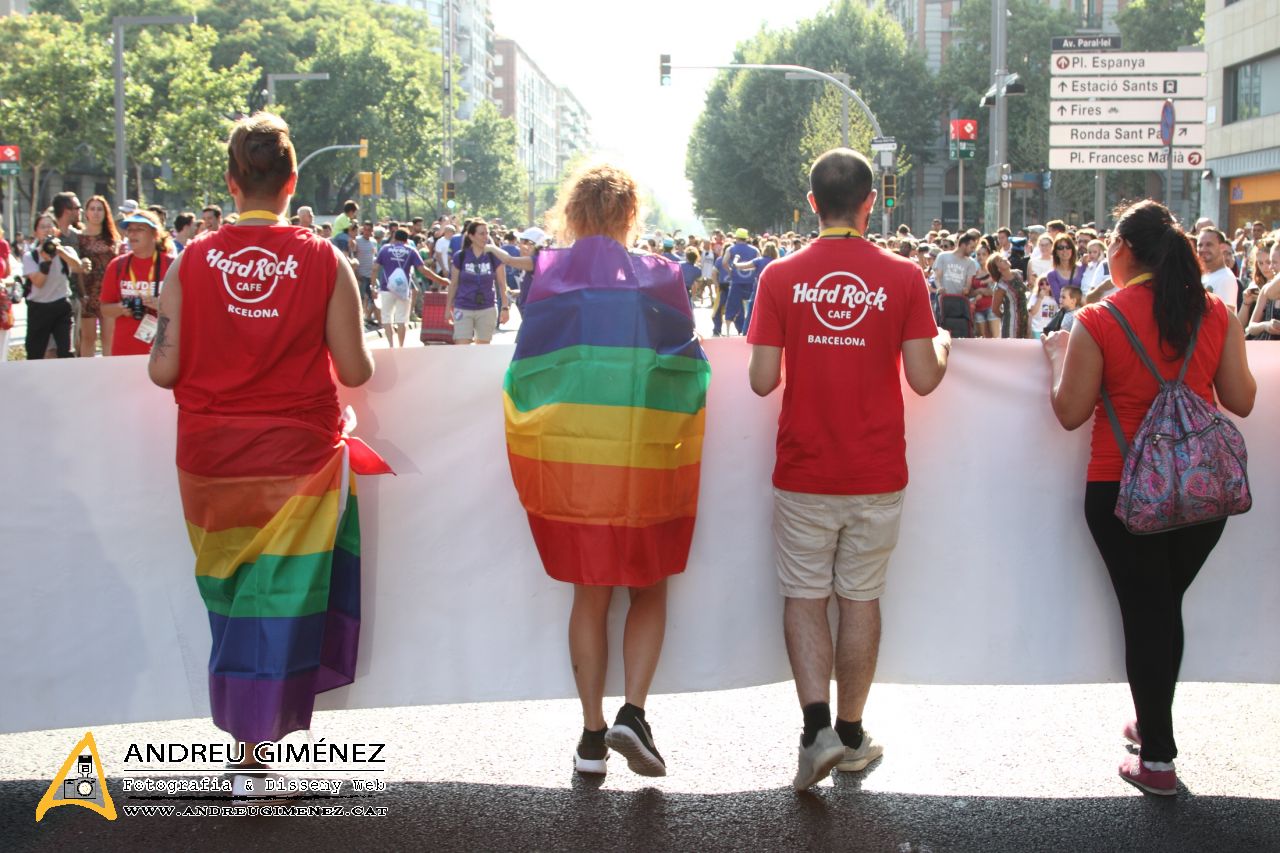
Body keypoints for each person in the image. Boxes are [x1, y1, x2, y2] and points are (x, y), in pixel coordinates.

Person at [147, 112, 383, 800]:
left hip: (211, 458)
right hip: (296, 457)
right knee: (280, 592)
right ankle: (255, 749)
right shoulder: (324, 259)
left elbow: (164, 371)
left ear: (231, 180)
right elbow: (357, 369)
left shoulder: (191, 260)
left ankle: (247, 745)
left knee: (230, 590)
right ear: (292, 183)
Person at [747, 148, 950, 791]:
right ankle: (854, 734)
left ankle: (815, 732)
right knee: (860, 597)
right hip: (877, 468)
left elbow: (760, 382)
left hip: (805, 466)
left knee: (806, 595)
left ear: (812, 203)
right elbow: (923, 378)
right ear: (871, 202)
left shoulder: (779, 276)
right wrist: (941, 342)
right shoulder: (904, 276)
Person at [503, 163, 709, 779]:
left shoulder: (547, 279)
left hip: (574, 467)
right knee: (650, 586)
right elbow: (687, 366)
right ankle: (634, 714)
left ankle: (592, 738)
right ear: (629, 217)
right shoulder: (661, 278)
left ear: (573, 215)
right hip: (644, 462)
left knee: (588, 595)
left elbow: (525, 369)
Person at [1043, 199, 1255, 797]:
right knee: (1162, 607)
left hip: (1121, 490)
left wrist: (1058, 358)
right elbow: (1241, 400)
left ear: (1126, 250)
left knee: (1147, 613)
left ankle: (1158, 759)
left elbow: (1069, 412)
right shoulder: (1216, 313)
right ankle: (1150, 720)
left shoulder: (1099, 320)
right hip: (1205, 493)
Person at [100, 210, 171, 356]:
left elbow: (188, 307)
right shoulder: (117, 265)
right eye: (130, 230)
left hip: (163, 350)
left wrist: (161, 305)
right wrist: (121, 308)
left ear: (155, 234)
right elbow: (105, 309)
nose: (132, 234)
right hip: (124, 350)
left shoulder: (172, 266)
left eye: (139, 229)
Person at [22, 212, 89, 359]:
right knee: (35, 352)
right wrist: (46, 261)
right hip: (39, 307)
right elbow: (38, 283)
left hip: (61, 305)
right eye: (42, 227)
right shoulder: (30, 256)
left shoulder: (66, 252)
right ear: (36, 232)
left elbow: (77, 267)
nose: (47, 230)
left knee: (66, 351)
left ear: (56, 230)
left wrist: (60, 251)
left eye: (50, 226)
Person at [446, 219, 508, 344]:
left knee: (482, 350)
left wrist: (505, 307)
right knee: (462, 348)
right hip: (463, 307)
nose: (485, 237)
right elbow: (453, 284)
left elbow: (502, 284)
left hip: (487, 307)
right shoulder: (460, 256)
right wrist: (448, 308)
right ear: (471, 236)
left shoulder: (493, 255)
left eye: (487, 233)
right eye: (481, 233)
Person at [75, 195, 122, 356]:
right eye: (92, 209)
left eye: (99, 209)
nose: (96, 213)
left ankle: (109, 375)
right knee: (88, 338)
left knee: (108, 337)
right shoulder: (78, 238)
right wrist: (81, 293)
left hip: (108, 294)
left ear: (105, 212)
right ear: (86, 213)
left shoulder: (113, 238)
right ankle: (87, 375)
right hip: (87, 293)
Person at [372, 228, 431, 347]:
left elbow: (375, 268)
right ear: (406, 239)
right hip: (404, 289)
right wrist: (440, 280)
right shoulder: (411, 250)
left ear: (394, 237)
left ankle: (390, 345)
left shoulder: (385, 249)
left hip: (386, 287)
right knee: (402, 319)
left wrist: (373, 286)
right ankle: (401, 346)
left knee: (387, 317)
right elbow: (422, 270)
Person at [1198, 227, 1239, 311]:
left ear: (1222, 247)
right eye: (1200, 245)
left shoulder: (1226, 278)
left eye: (1209, 244)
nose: (1203, 249)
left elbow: (1226, 317)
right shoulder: (1203, 275)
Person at [1045, 236, 1084, 302]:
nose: (1064, 250)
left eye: (1068, 247)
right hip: (1066, 310)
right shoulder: (1052, 275)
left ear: (1072, 250)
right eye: (1060, 248)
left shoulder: (1083, 268)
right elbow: (1058, 299)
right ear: (1056, 252)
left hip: (1084, 308)